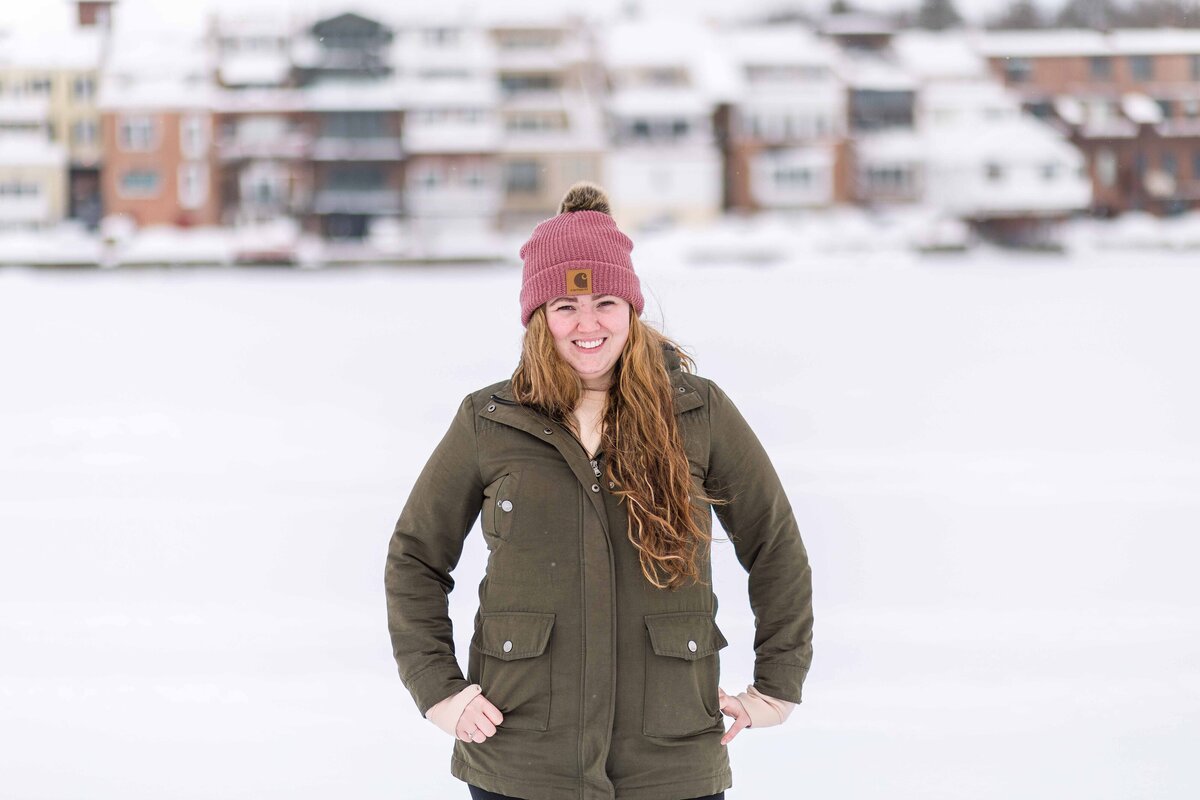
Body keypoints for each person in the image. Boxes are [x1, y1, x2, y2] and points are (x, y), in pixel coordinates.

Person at [384, 182, 813, 800]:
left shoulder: (697, 411)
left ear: (632, 309)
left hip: (671, 763)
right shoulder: (489, 421)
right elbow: (415, 557)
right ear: (538, 318)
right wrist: (438, 690)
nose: (588, 324)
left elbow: (775, 547)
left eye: (605, 301)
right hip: (522, 757)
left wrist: (777, 686)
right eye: (565, 306)